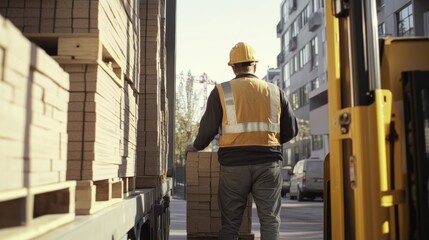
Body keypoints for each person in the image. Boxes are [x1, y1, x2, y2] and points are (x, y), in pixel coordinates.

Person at [185, 42, 298, 240]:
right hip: (267, 164)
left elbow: (208, 130)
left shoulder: (221, 91)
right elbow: (291, 130)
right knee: (270, 220)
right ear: (255, 65)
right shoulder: (274, 91)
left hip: (233, 166)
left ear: (233, 67)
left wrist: (195, 146)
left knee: (230, 225)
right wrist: (270, 141)